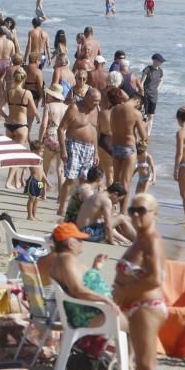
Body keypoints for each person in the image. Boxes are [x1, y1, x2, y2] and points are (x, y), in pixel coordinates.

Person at [113, 193, 167, 370]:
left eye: (141, 210)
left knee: (146, 366)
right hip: (134, 306)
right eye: (133, 210)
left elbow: (156, 278)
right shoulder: (139, 239)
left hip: (147, 306)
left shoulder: (152, 240)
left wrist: (125, 292)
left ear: (154, 213)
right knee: (141, 366)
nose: (135, 214)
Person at [48, 223, 125, 330]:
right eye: (79, 240)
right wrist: (106, 300)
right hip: (89, 315)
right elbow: (77, 290)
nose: (82, 242)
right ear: (70, 244)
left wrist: (95, 269)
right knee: (140, 321)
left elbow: (79, 284)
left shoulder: (65, 259)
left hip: (93, 310)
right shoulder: (66, 259)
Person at [57, 88, 100, 218]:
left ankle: (79, 208)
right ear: (87, 97)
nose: (97, 104)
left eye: (98, 101)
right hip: (74, 145)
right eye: (95, 101)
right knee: (70, 179)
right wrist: (63, 149)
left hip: (90, 148)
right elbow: (61, 129)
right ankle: (62, 207)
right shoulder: (74, 108)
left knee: (85, 180)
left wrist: (96, 152)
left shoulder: (96, 110)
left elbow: (95, 132)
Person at [0, 68, 39, 190]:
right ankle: (9, 182)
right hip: (21, 126)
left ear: (14, 78)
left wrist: (6, 117)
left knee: (12, 154)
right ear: (24, 79)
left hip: (9, 125)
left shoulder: (8, 91)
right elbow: (35, 111)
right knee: (17, 155)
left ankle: (16, 182)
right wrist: (38, 118)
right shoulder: (27, 93)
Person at [140, 54, 164, 134]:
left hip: (154, 96)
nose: (161, 63)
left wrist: (158, 88)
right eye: (160, 61)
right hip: (146, 95)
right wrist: (142, 94)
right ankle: (142, 132)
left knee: (151, 115)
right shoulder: (147, 70)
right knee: (145, 116)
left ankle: (148, 134)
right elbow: (141, 83)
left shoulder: (160, 71)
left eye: (162, 61)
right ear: (154, 60)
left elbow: (162, 79)